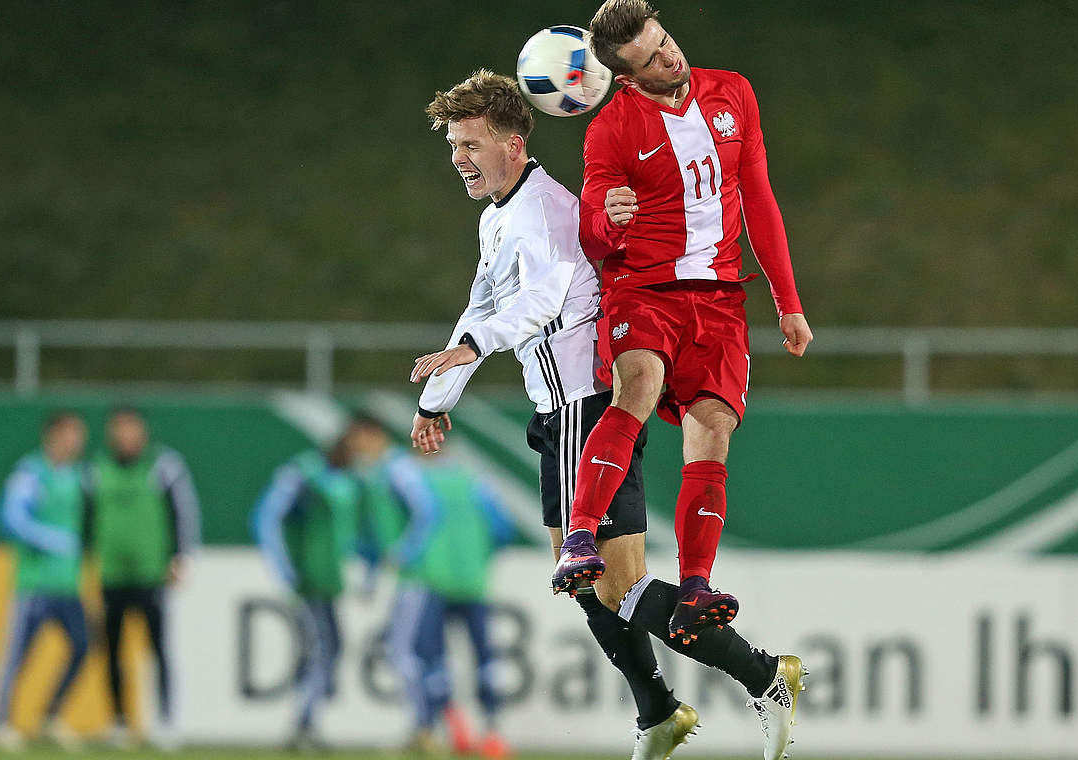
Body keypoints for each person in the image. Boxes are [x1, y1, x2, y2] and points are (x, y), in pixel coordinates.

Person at [407, 69, 795, 760]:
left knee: (607, 582)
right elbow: (485, 298)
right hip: (564, 413)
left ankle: (757, 676)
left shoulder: (545, 212)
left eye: (470, 141)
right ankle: (660, 709)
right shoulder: (499, 212)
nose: (459, 157)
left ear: (515, 141)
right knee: (590, 580)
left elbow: (543, 300)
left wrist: (472, 347)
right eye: (453, 144)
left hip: (586, 410)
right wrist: (435, 399)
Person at [557, 2, 811, 756]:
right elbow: (595, 234)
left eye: (666, 43)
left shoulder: (733, 92)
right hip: (645, 290)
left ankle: (696, 586)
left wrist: (787, 301)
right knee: (636, 384)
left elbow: (759, 200)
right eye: (652, 56)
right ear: (625, 76)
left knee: (713, 431)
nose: (671, 59)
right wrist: (612, 217)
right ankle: (579, 537)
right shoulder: (610, 128)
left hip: (722, 299)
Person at [347, 413, 511, 756]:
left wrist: (402, 555)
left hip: (429, 579)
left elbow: (419, 516)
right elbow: (502, 527)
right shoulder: (473, 479)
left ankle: (451, 726)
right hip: (473, 580)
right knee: (483, 657)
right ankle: (493, 733)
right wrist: (479, 557)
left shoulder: (407, 475)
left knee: (428, 656)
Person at [84, 406, 199, 750]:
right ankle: (119, 722)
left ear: (143, 432)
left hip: (151, 573)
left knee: (158, 650)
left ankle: (166, 722)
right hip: (112, 574)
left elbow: (184, 511)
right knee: (112, 650)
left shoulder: (164, 466)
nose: (126, 437)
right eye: (119, 430)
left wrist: (181, 556)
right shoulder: (96, 469)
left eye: (131, 430)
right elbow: (86, 518)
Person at [251, 436, 361, 750]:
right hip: (308, 578)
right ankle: (303, 723)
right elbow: (267, 517)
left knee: (331, 646)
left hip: (326, 579)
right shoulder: (304, 477)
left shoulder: (341, 482)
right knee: (323, 647)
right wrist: (284, 568)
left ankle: (307, 719)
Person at [0, 411, 90, 753]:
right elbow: (9, 519)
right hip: (34, 584)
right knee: (18, 654)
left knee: (83, 645)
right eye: (70, 435)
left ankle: (51, 715)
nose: (76, 442)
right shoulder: (31, 473)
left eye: (79, 435)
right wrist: (53, 539)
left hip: (68, 584)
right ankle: (1, 723)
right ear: (53, 436)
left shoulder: (81, 475)